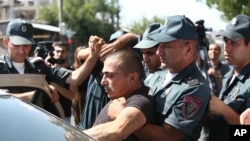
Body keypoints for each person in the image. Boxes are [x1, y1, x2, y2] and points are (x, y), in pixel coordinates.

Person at [108, 15, 211, 141]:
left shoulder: (195, 89)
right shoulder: (158, 75)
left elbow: (168, 137)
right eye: (159, 45)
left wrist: (123, 118)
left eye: (167, 46)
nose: (159, 52)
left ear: (188, 49)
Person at [0, 19, 103, 109]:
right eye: (17, 45)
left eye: (26, 45)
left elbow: (75, 78)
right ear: (6, 42)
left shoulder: (39, 66)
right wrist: (37, 94)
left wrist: (94, 55)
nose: (22, 50)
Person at [83, 49, 154, 141]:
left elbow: (118, 129)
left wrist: (76, 136)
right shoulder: (119, 95)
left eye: (110, 76)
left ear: (132, 78)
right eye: (103, 74)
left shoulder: (140, 101)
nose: (102, 82)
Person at [77, 31, 139, 129]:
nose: (104, 81)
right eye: (111, 48)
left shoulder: (132, 75)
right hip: (84, 132)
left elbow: (135, 36)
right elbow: (80, 54)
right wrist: (97, 48)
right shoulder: (97, 65)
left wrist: (119, 45)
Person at [208, 14, 250, 141]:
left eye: (235, 43)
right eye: (226, 41)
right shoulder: (228, 77)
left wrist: (225, 111)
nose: (227, 47)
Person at [134, 23, 167, 96]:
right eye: (143, 53)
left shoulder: (171, 76)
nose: (146, 60)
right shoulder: (143, 71)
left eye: (150, 53)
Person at [50, 41, 74, 123]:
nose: (60, 54)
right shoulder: (48, 70)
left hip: (64, 116)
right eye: (57, 51)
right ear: (53, 52)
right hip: (47, 114)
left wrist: (56, 86)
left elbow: (72, 95)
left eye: (63, 51)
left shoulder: (71, 72)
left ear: (66, 53)